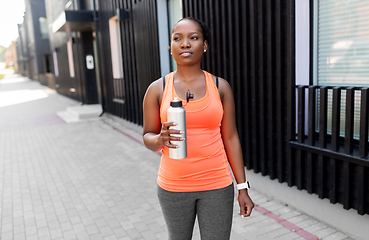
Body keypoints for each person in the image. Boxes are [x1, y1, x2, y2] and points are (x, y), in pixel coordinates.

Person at [142, 17, 254, 240]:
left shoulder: (220, 87)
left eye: (193, 38)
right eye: (177, 38)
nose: (185, 44)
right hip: (173, 186)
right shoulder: (157, 89)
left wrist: (242, 187)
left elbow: (231, 138)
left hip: (217, 185)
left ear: (204, 45)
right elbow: (147, 135)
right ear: (171, 46)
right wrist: (159, 140)